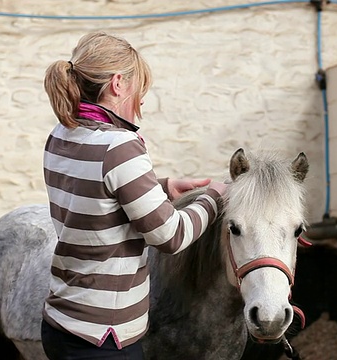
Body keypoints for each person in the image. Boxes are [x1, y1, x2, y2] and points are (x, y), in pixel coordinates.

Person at [40, 31, 227, 360]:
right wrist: (213, 198)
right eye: (140, 88)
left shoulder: (61, 134)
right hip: (104, 338)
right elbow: (170, 235)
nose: (141, 100)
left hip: (60, 323)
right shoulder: (120, 146)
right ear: (117, 84)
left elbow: (95, 192)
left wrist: (164, 187)